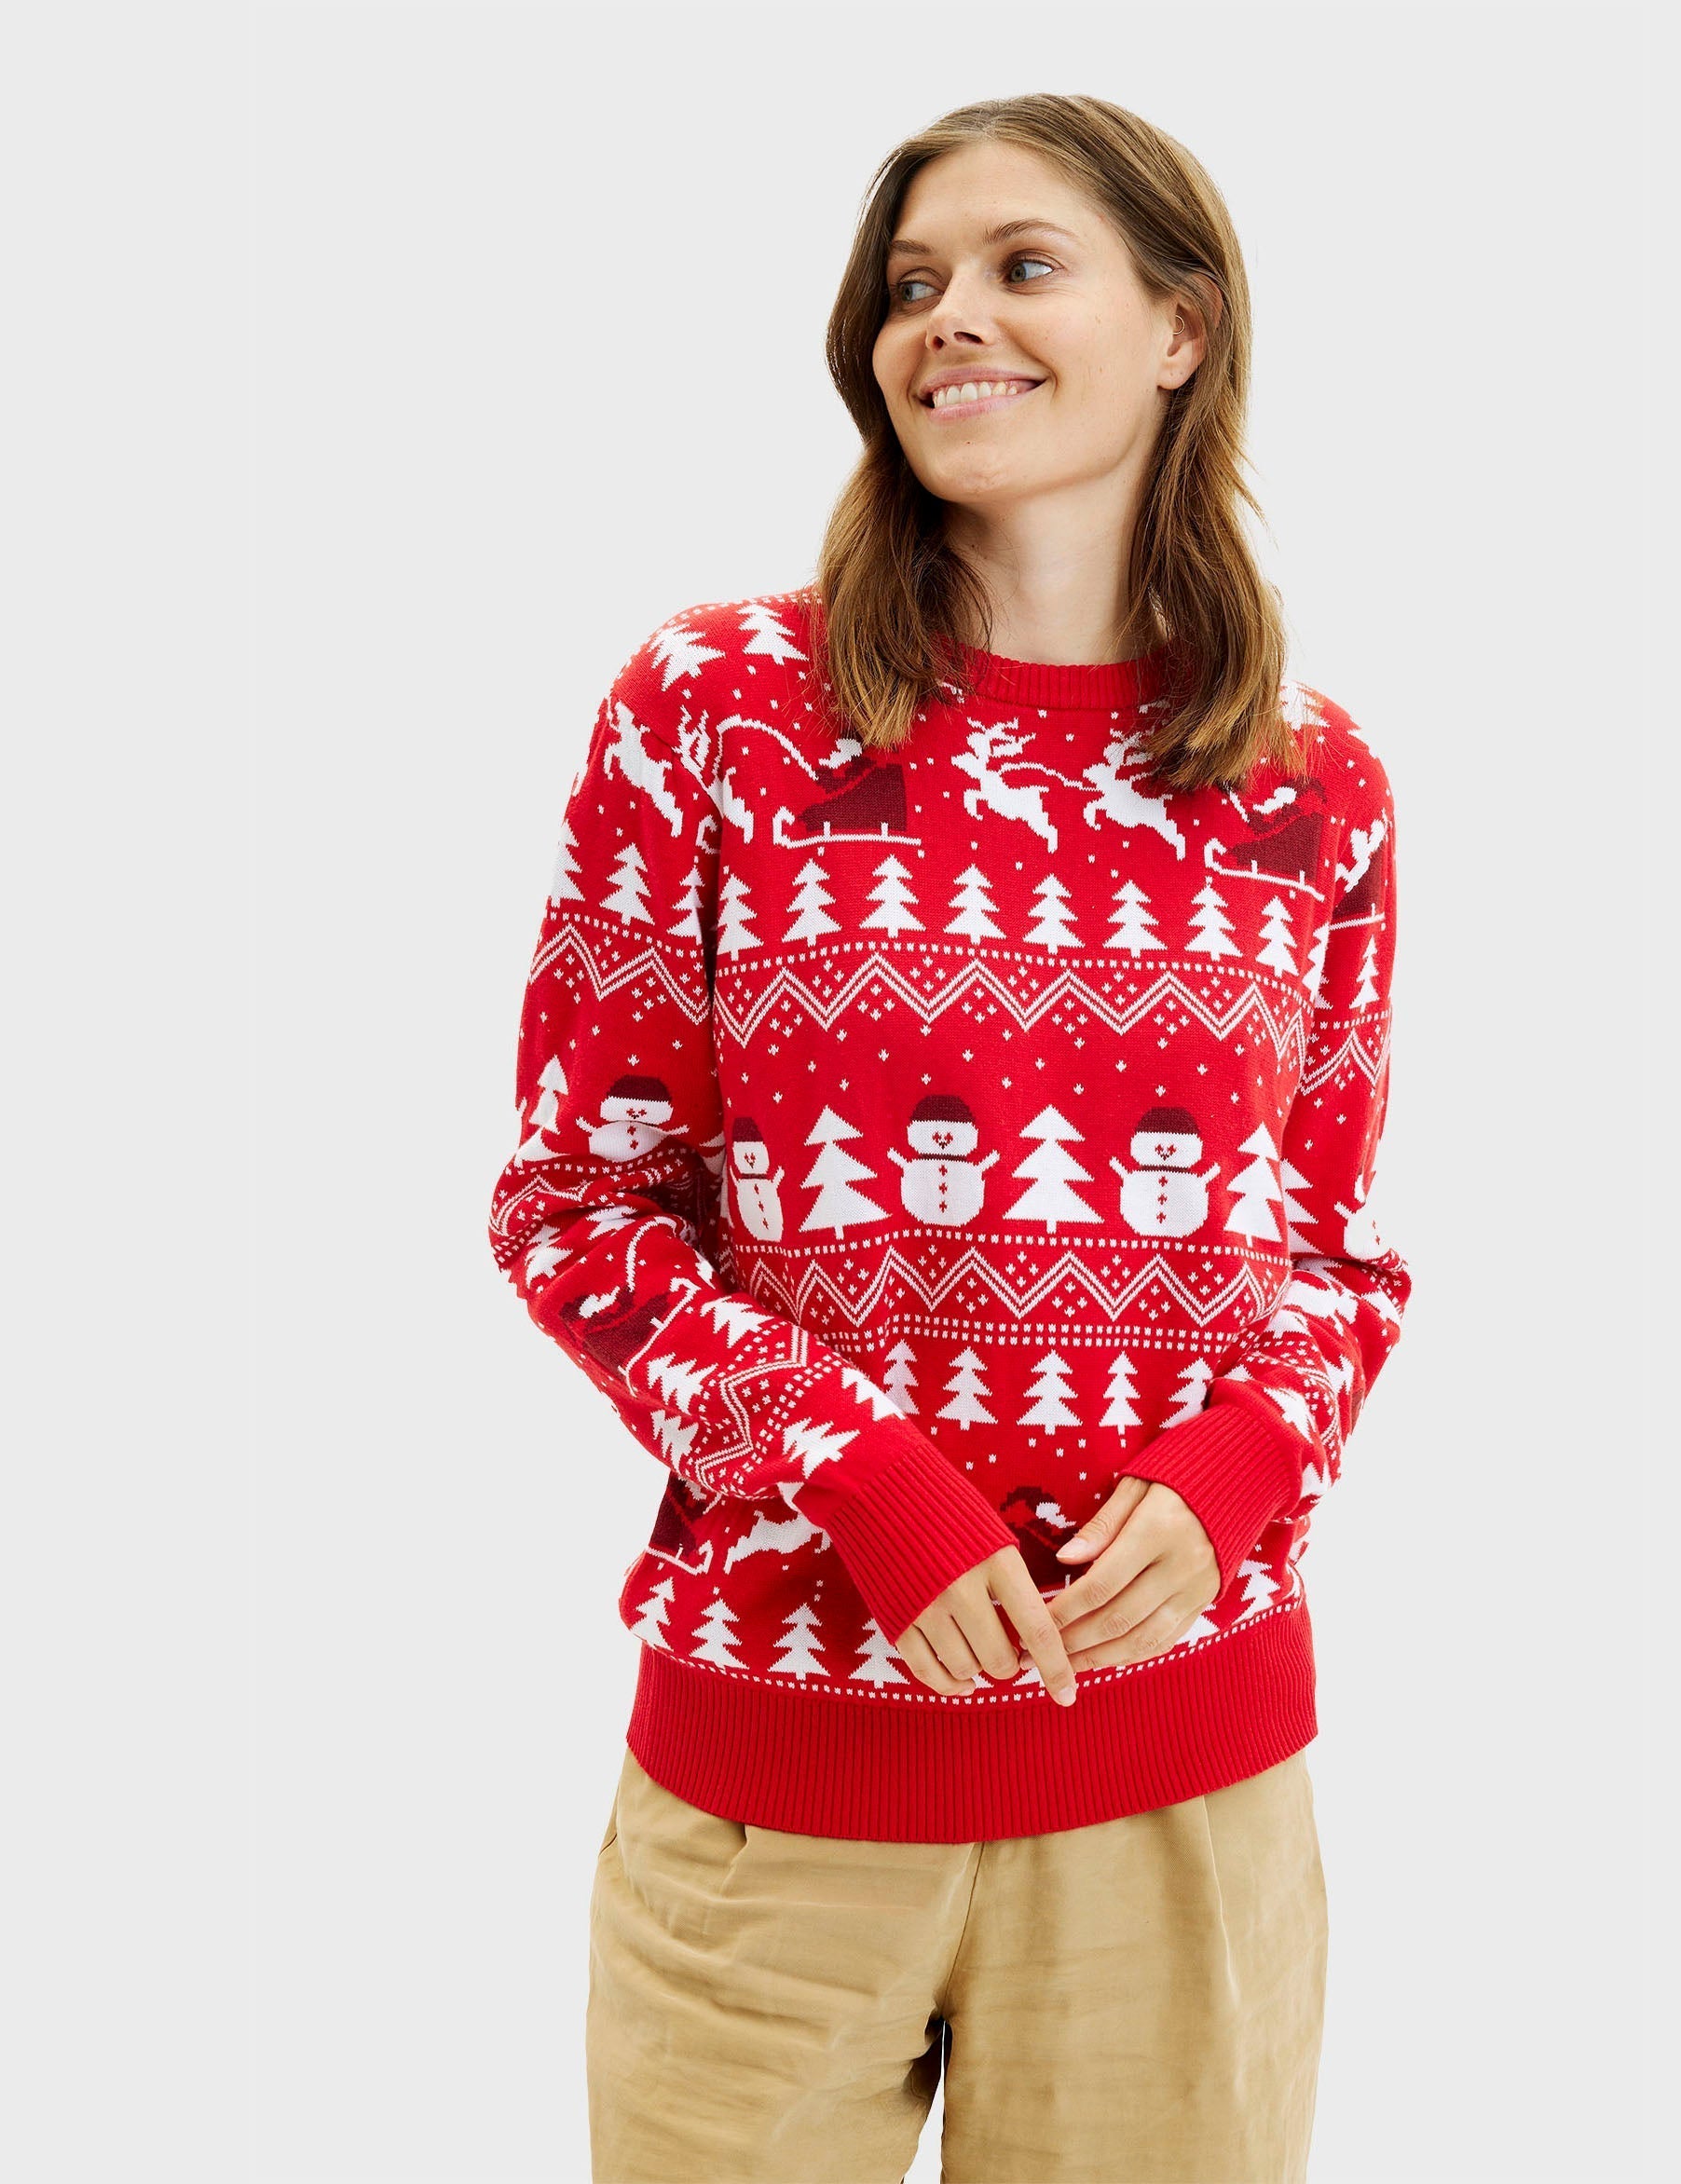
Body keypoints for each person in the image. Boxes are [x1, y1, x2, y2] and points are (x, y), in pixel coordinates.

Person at [485, 91, 1411, 2184]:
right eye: (910, 284)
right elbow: (575, 1201)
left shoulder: (1311, 784)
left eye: (1021, 266)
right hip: (776, 1788)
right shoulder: (717, 711)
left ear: (1180, 329)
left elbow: (1333, 1253)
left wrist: (1238, 1468)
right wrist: (860, 1474)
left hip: (1180, 1796)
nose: (947, 322)